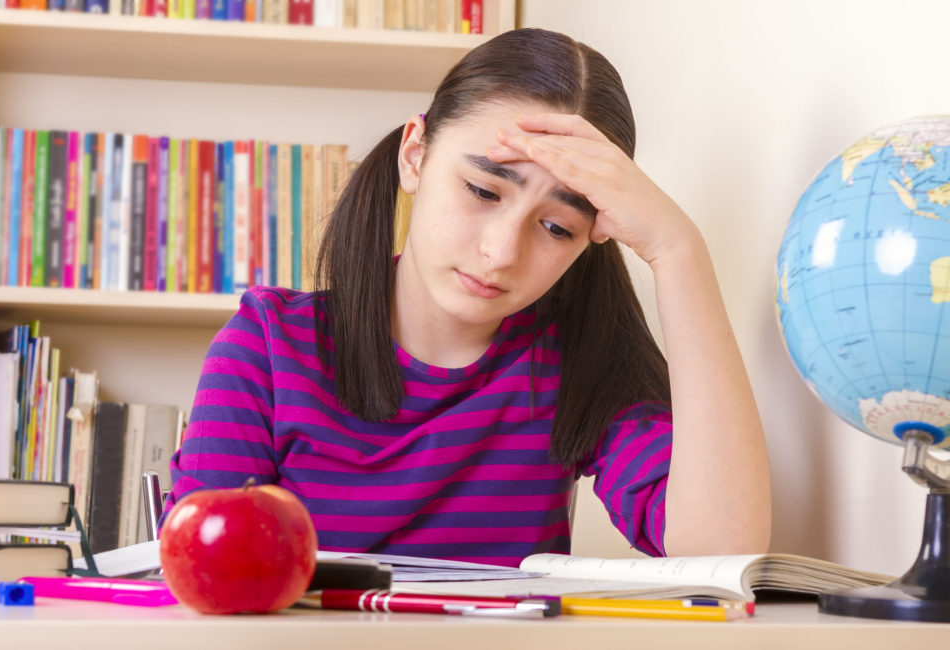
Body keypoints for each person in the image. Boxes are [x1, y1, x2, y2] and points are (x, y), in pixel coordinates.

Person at [161, 28, 772, 565]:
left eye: (557, 227)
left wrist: (678, 250)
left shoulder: (577, 362)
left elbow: (720, 551)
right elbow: (201, 572)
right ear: (415, 155)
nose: (503, 251)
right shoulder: (268, 346)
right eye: (483, 191)